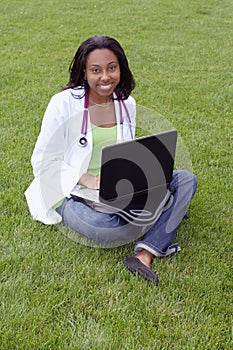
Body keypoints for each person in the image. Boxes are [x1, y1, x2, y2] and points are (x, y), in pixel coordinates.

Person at [25, 35, 197, 285]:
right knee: (102, 228)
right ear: (84, 72)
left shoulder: (126, 103)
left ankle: (144, 253)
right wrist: (86, 178)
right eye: (95, 70)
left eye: (111, 68)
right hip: (70, 189)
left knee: (186, 180)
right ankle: (166, 212)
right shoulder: (62, 105)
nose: (104, 77)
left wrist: (139, 173)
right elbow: (42, 161)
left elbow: (126, 150)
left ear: (121, 68)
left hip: (117, 186)